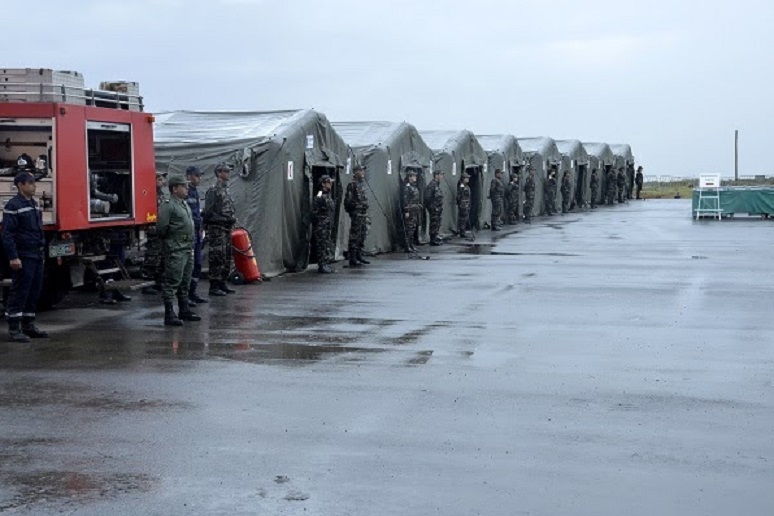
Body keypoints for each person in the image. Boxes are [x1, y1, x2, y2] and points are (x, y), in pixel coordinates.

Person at [1, 172, 49, 342]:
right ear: (20, 185)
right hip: (24, 254)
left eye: (34, 183)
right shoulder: (13, 206)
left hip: (36, 253)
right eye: (30, 183)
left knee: (34, 290)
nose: (34, 186)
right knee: (20, 291)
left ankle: (29, 325)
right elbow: (7, 234)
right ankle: (14, 329)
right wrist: (14, 257)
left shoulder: (34, 204)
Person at [157, 175, 201, 326]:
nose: (187, 188)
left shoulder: (184, 204)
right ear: (175, 189)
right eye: (184, 186)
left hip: (187, 248)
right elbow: (162, 228)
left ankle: (184, 309)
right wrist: (172, 242)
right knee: (173, 280)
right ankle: (169, 314)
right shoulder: (168, 205)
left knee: (185, 281)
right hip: (176, 248)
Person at [204, 163, 237, 296]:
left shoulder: (226, 189)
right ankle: (214, 285)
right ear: (219, 173)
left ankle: (222, 282)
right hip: (217, 229)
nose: (228, 174)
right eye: (226, 171)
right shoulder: (213, 190)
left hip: (227, 229)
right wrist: (223, 219)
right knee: (217, 256)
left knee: (227, 256)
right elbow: (209, 213)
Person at [141, 172, 167, 294]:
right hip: (153, 228)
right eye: (159, 179)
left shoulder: (161, 194)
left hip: (161, 229)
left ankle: (158, 281)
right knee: (152, 256)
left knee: (161, 256)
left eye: (162, 179)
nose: (161, 181)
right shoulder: (150, 194)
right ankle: (147, 282)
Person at [185, 166, 208, 304]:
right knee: (189, 264)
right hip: (189, 232)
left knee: (198, 264)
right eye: (197, 175)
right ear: (189, 176)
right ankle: (185, 295)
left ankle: (192, 292)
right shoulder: (185, 192)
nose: (199, 178)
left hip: (197, 232)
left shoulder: (195, 192)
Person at [344, 164, 370, 266]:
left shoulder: (361, 184)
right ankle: (353, 257)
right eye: (360, 171)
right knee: (355, 235)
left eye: (363, 171)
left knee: (362, 234)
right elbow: (348, 201)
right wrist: (353, 211)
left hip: (363, 214)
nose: (363, 172)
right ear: (355, 172)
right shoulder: (352, 185)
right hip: (357, 214)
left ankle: (359, 255)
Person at [312, 175, 336, 273]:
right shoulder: (320, 194)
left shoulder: (328, 194)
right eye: (328, 182)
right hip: (321, 224)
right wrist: (318, 222)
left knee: (326, 244)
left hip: (327, 224)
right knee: (321, 244)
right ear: (323, 184)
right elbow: (314, 210)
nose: (331, 184)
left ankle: (325, 263)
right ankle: (322, 265)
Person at [402, 170, 422, 253]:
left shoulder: (414, 187)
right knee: (409, 229)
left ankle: (411, 245)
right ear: (409, 177)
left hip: (414, 211)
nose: (415, 177)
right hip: (410, 212)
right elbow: (405, 200)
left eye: (415, 176)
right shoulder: (407, 188)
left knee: (413, 228)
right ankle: (407, 246)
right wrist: (406, 211)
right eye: (414, 176)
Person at [424, 169, 444, 245]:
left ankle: (435, 237)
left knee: (437, 223)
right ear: (436, 175)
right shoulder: (432, 185)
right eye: (441, 175)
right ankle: (432, 239)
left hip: (438, 209)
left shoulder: (437, 185)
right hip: (434, 209)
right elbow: (427, 197)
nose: (442, 176)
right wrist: (432, 207)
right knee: (434, 223)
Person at [456, 172, 472, 239]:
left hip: (467, 204)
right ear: (463, 178)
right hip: (463, 204)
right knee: (463, 218)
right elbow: (459, 195)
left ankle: (464, 230)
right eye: (467, 178)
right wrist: (460, 203)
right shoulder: (462, 185)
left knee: (465, 218)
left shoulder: (466, 186)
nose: (468, 179)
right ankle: (462, 231)